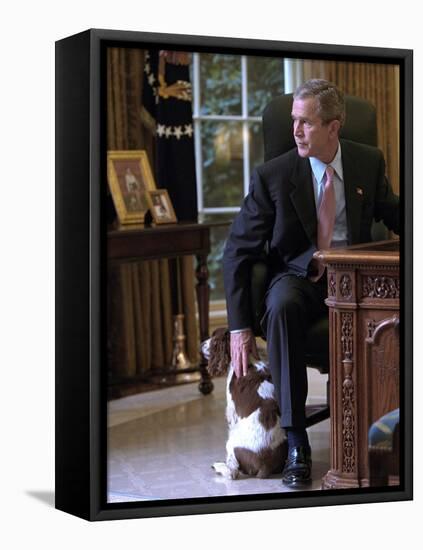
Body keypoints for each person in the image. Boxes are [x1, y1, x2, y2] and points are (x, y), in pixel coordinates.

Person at [222, 79, 399, 487]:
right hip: (300, 277)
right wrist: (239, 326)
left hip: (355, 281)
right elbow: (237, 251)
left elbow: (393, 211)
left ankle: (394, 425)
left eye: (306, 123)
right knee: (282, 306)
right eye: (293, 122)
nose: (296, 131)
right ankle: (297, 439)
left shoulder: (367, 162)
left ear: (334, 127)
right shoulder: (273, 175)